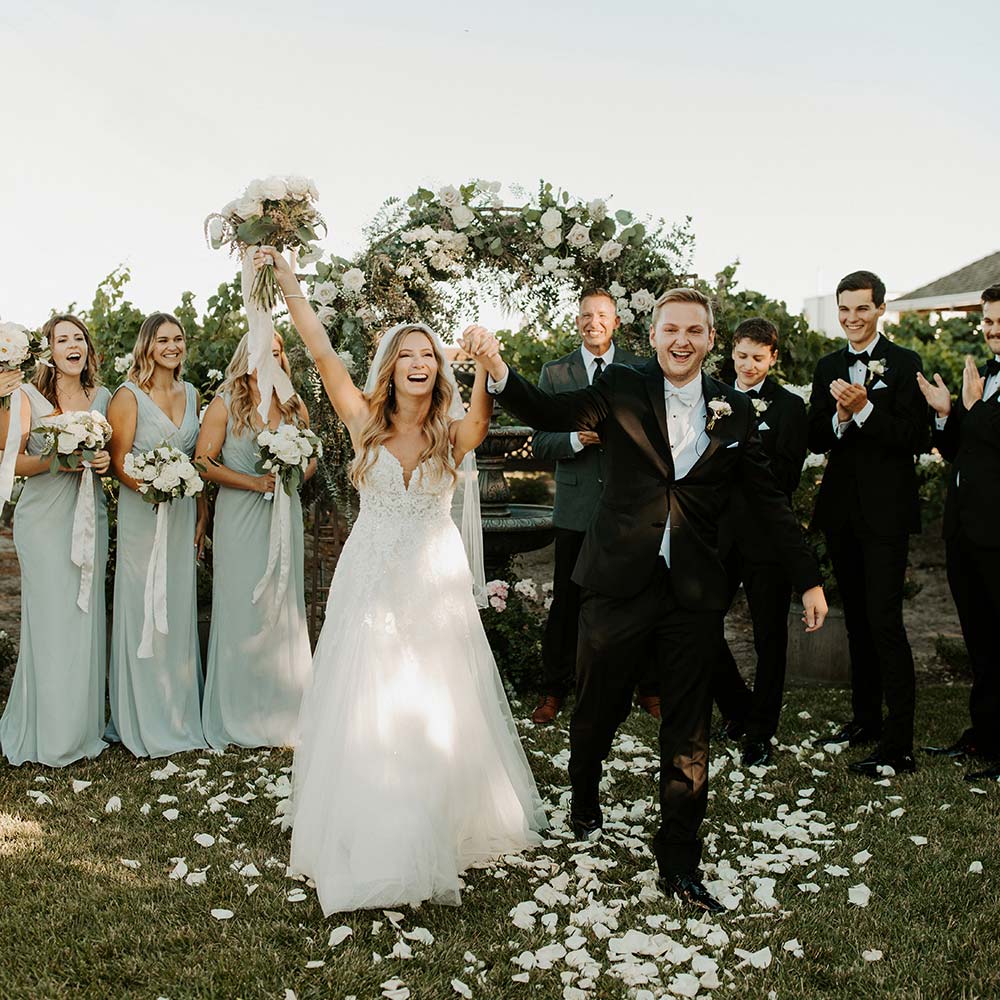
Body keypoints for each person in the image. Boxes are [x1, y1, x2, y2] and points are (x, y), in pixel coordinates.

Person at [467, 287, 827, 913]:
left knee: (688, 728)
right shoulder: (624, 387)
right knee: (598, 707)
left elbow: (768, 501)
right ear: (654, 335)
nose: (682, 341)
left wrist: (808, 577)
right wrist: (499, 371)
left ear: (710, 339)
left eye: (694, 331)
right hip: (617, 581)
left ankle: (680, 860)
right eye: (671, 330)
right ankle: (584, 788)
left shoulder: (733, 411)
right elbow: (551, 411)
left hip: (692, 592)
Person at [257, 246, 546, 915]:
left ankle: (440, 812)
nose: (418, 365)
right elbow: (321, 349)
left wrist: (481, 367)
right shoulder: (362, 418)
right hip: (373, 576)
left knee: (437, 695)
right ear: (392, 367)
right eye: (407, 355)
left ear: (437, 368)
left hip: (434, 580)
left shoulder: (450, 432)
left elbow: (481, 421)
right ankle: (373, 813)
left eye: (429, 356)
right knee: (372, 689)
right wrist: (290, 285)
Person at [807, 270, 928, 776]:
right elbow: (816, 437)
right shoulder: (828, 366)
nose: (851, 318)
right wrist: (838, 418)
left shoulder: (904, 363)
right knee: (855, 619)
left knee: (884, 621)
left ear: (880, 309)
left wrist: (865, 410)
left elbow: (917, 437)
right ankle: (865, 721)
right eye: (844, 308)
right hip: (842, 512)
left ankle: (898, 743)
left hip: (886, 514)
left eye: (861, 308)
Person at [530, 288, 659, 724]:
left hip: (627, 508)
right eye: (586, 315)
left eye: (602, 315)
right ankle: (553, 689)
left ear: (616, 321)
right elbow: (540, 441)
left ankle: (647, 686)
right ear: (578, 321)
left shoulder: (639, 371)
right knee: (566, 600)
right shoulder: (555, 373)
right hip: (576, 507)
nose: (593, 322)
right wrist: (574, 438)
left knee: (635, 598)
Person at [0, 315, 111, 767]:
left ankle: (80, 728)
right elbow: (13, 460)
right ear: (49, 350)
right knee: (50, 621)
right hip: (44, 522)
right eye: (62, 339)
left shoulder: (102, 397)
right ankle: (46, 731)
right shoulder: (28, 396)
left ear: (87, 346)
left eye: (78, 337)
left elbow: (109, 454)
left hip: (89, 514)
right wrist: (56, 463)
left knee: (83, 618)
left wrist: (102, 459)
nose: (72, 344)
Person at [196, 332, 315, 750]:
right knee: (244, 607)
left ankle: (284, 710)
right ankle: (239, 713)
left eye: (276, 351)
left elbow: (311, 454)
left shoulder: (293, 403)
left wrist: (293, 475)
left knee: (283, 607)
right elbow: (203, 462)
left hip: (284, 512)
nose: (268, 357)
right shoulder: (226, 402)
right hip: (241, 517)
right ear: (244, 356)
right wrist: (253, 482)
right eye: (260, 350)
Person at [106, 312, 208, 758]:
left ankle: (178, 713)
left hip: (183, 512)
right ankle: (140, 716)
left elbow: (197, 460)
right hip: (143, 514)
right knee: (141, 604)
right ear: (147, 346)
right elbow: (117, 461)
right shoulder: (129, 396)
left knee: (178, 606)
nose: (173, 346)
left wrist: (202, 512)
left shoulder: (192, 392)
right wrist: (152, 488)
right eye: (163, 339)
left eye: (179, 338)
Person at [714, 318, 808, 766]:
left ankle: (761, 730)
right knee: (699, 623)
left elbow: (787, 477)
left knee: (770, 636)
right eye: (742, 356)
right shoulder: (711, 396)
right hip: (715, 533)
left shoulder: (789, 408)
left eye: (758, 357)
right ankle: (736, 708)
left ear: (773, 357)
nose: (748, 365)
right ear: (732, 352)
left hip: (767, 539)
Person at [917, 284, 1000, 781]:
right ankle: (985, 735)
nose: (993, 329)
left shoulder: (985, 391)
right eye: (989, 320)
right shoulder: (985, 377)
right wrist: (949, 413)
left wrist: (974, 409)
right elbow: (961, 450)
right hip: (967, 532)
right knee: (982, 640)